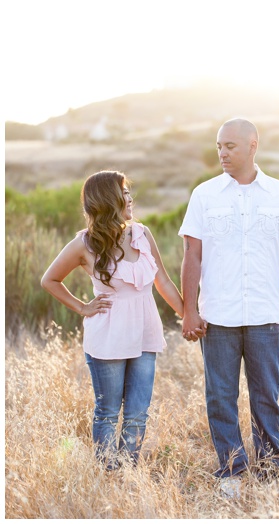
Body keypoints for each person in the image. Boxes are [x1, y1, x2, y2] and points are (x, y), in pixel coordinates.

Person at [179, 118, 279, 498]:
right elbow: (192, 254)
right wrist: (190, 311)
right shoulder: (204, 195)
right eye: (218, 145)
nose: (222, 152)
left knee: (266, 395)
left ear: (253, 145)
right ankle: (231, 471)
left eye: (230, 146)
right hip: (216, 316)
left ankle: (271, 470)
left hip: (265, 317)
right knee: (220, 396)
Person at [41, 170, 186, 469]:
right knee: (108, 411)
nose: (130, 197)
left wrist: (189, 317)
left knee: (137, 412)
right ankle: (107, 475)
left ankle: (127, 474)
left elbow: (165, 283)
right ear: (109, 200)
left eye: (130, 191)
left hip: (145, 330)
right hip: (107, 335)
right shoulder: (84, 244)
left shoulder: (142, 234)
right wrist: (82, 307)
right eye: (124, 192)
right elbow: (50, 280)